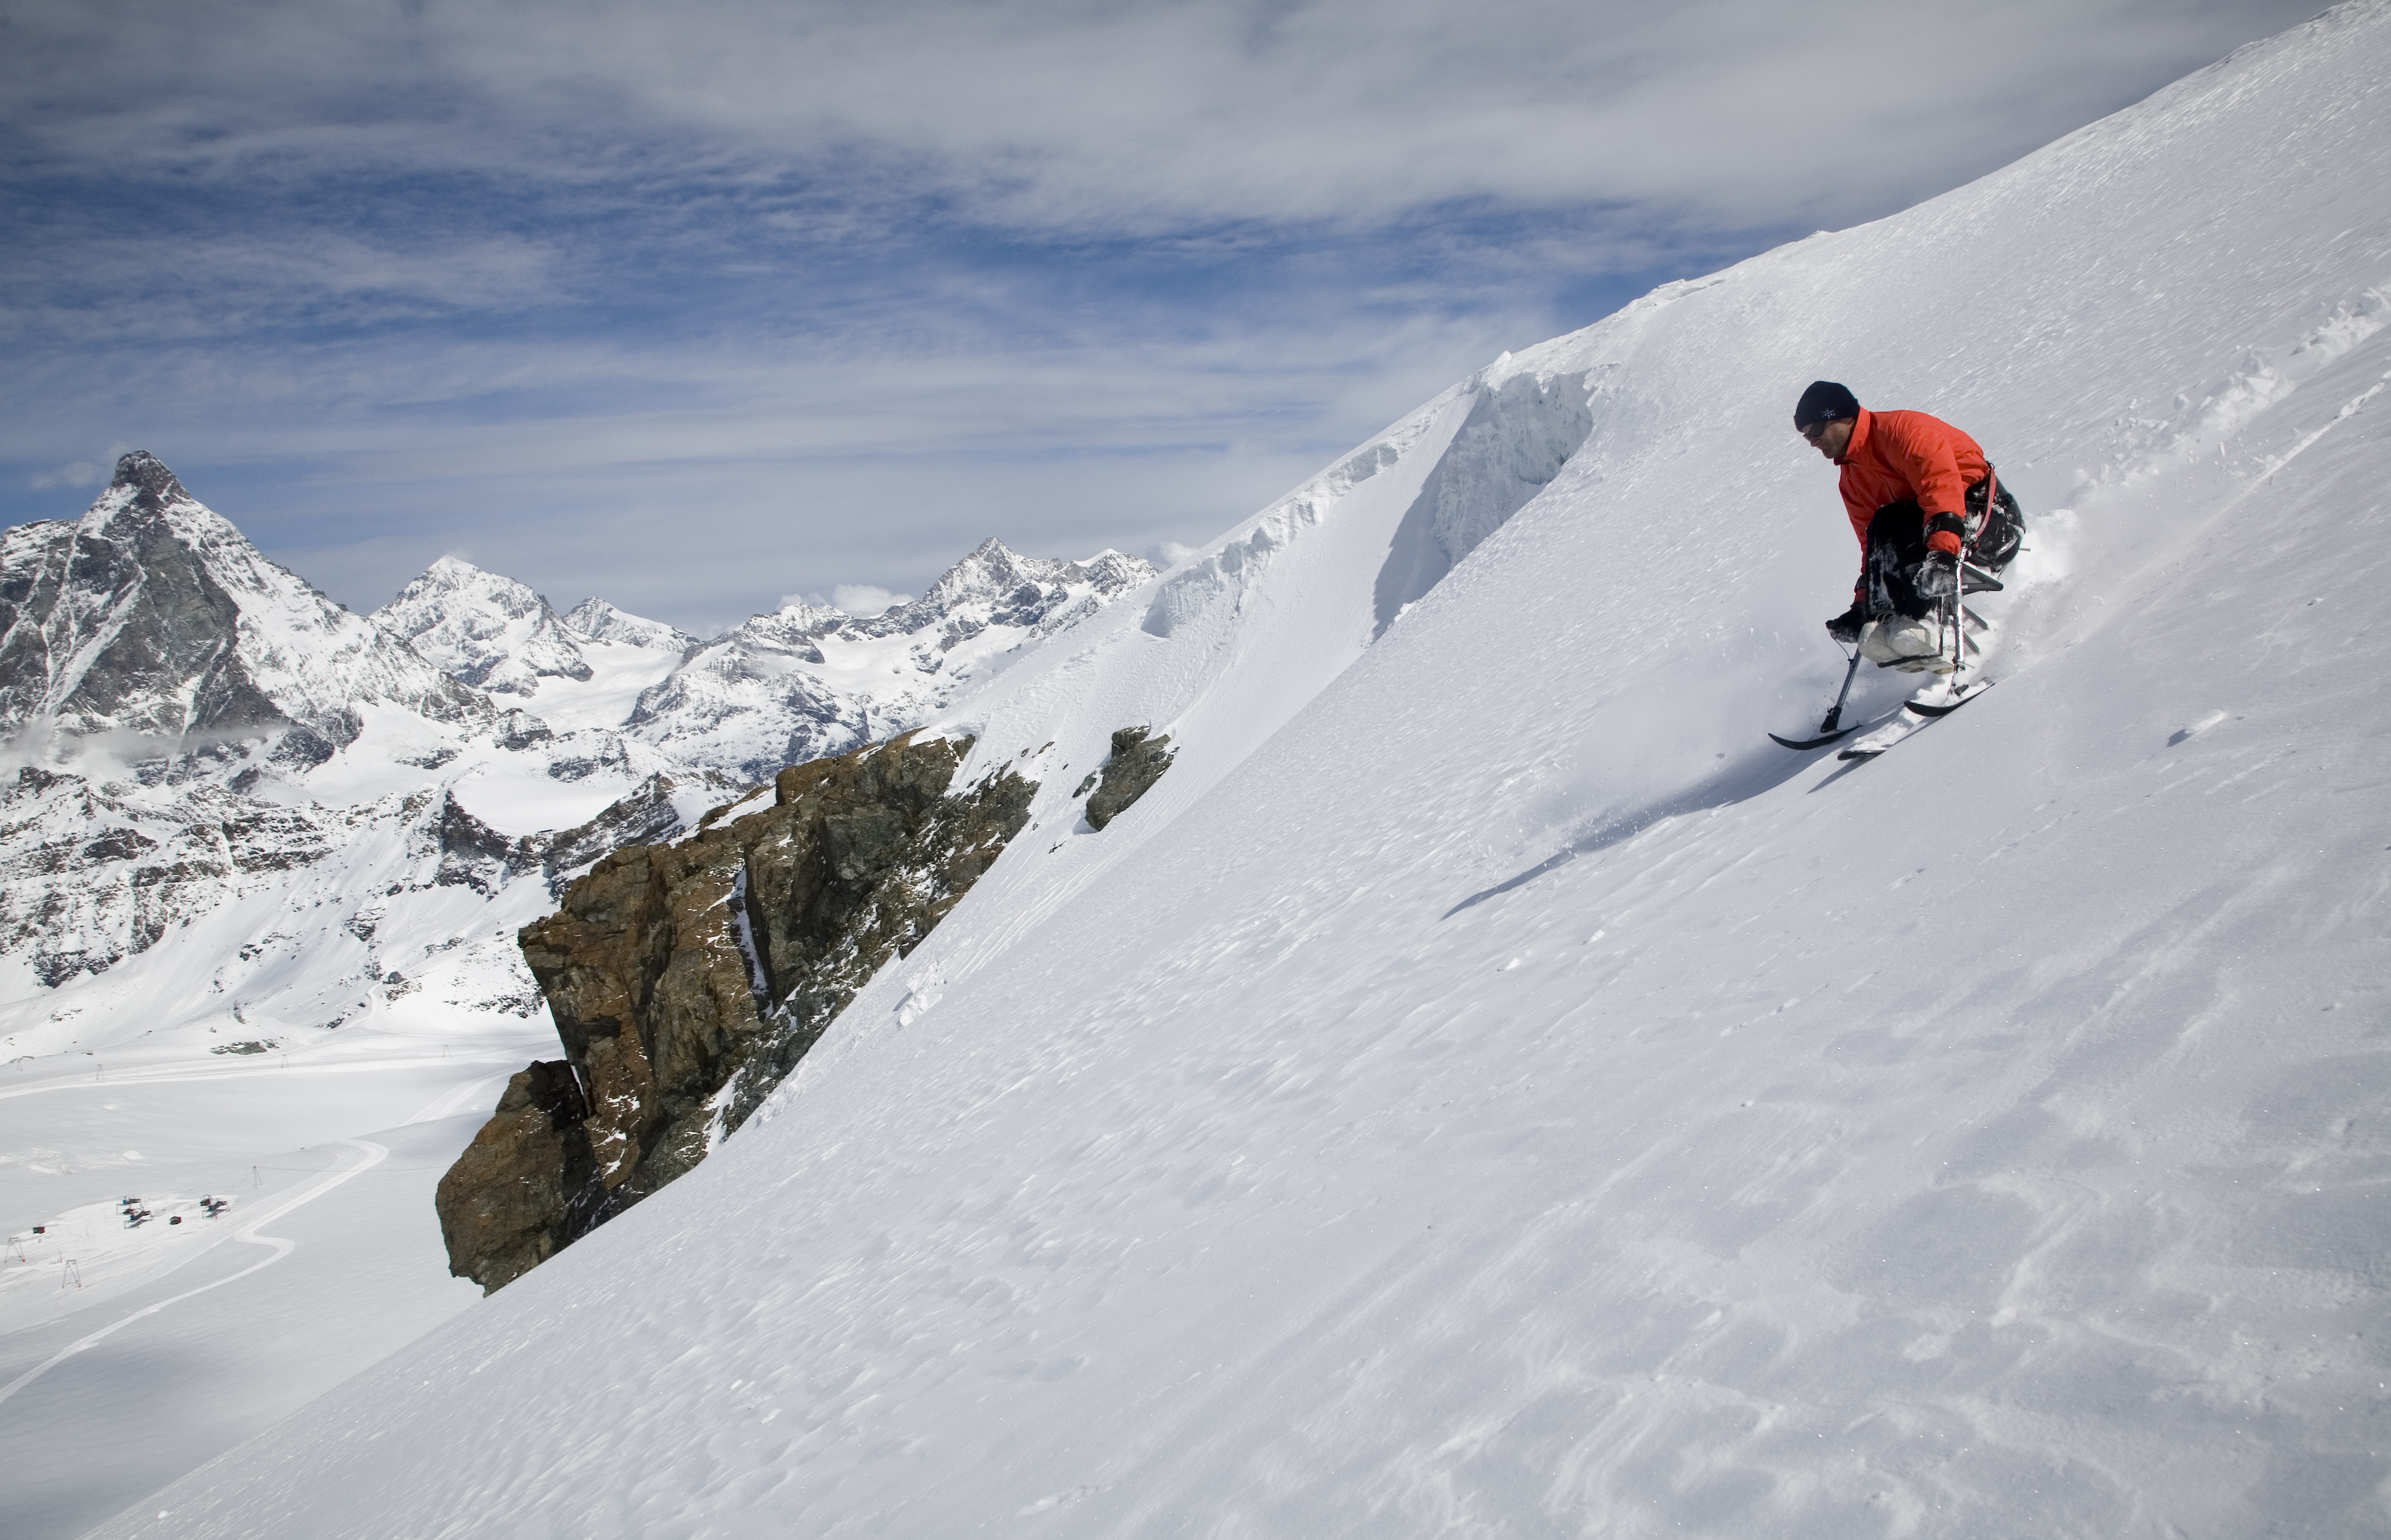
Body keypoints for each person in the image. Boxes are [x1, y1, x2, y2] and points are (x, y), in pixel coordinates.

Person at [1793, 380, 2024, 670]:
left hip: (1993, 525)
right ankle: (1893, 626)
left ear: (1845, 417)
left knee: (1906, 518)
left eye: (1816, 430)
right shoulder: (1852, 480)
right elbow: (1873, 547)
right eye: (1805, 436)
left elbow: (1942, 490)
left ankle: (1930, 624)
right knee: (1885, 524)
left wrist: (1941, 556)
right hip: (1940, 537)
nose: (1812, 441)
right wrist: (1863, 606)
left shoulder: (1903, 432)